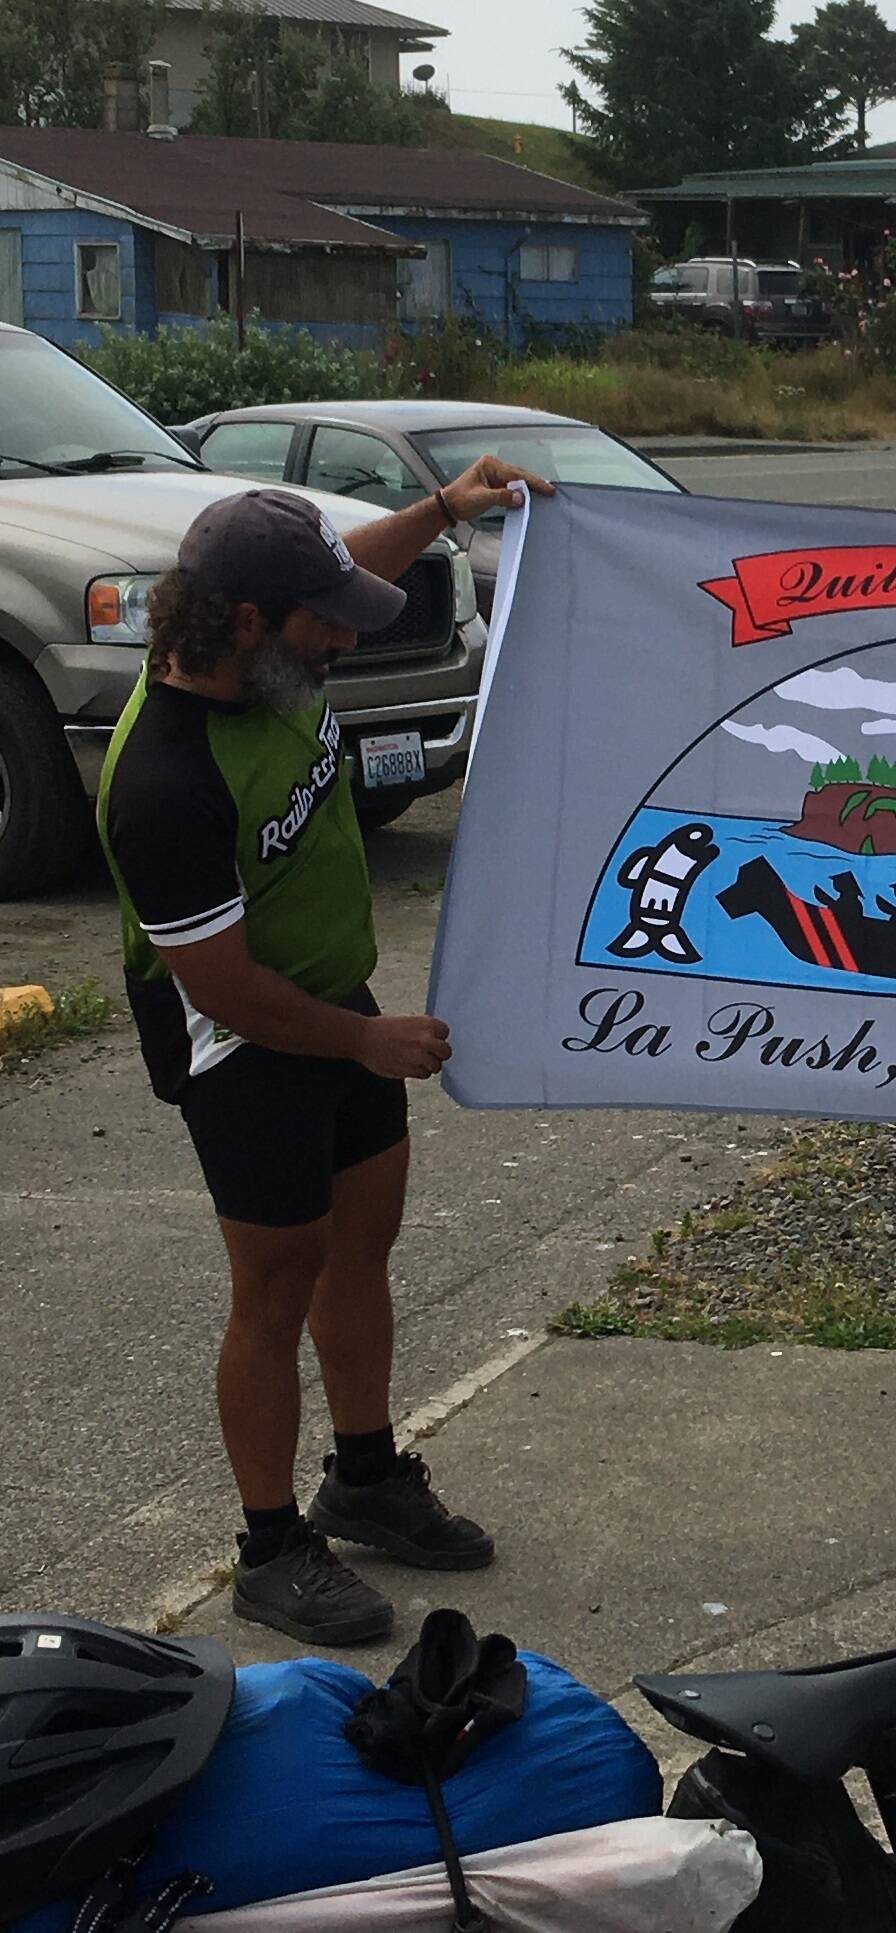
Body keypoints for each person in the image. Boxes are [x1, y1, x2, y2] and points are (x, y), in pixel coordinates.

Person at [96, 464, 553, 1645]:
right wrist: (366, 1038)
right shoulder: (162, 779)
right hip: (238, 1037)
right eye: (325, 621)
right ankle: (269, 1546)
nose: (345, 639)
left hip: (333, 1005)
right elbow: (224, 986)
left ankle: (363, 1477)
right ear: (244, 622)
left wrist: (447, 508)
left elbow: (349, 564)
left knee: (365, 1241)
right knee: (275, 1282)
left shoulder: (275, 654)